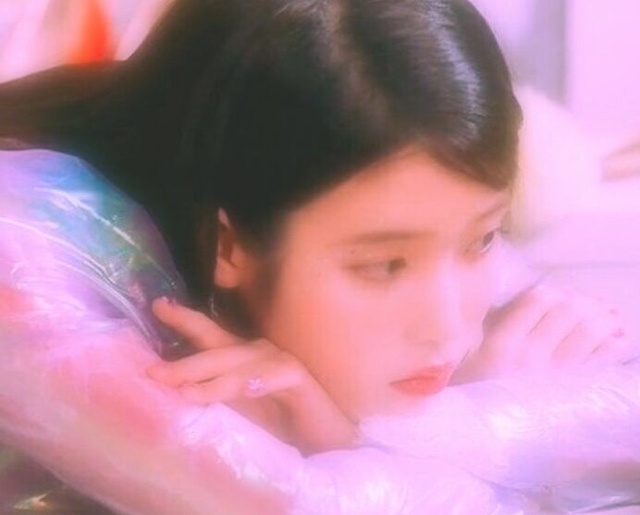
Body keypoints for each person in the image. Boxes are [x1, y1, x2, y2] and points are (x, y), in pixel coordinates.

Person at [0, 0, 633, 458]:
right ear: (229, 245)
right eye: (384, 267)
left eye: (482, 239)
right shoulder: (42, 273)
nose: (447, 328)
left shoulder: (403, 213)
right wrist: (454, 430)